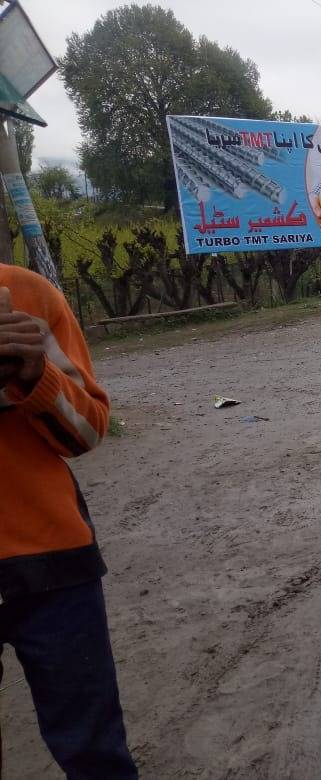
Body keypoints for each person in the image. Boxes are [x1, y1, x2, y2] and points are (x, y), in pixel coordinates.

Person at [0, 265, 138, 778]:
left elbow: (88, 431)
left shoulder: (29, 296)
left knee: (95, 754)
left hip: (53, 566)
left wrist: (34, 375)